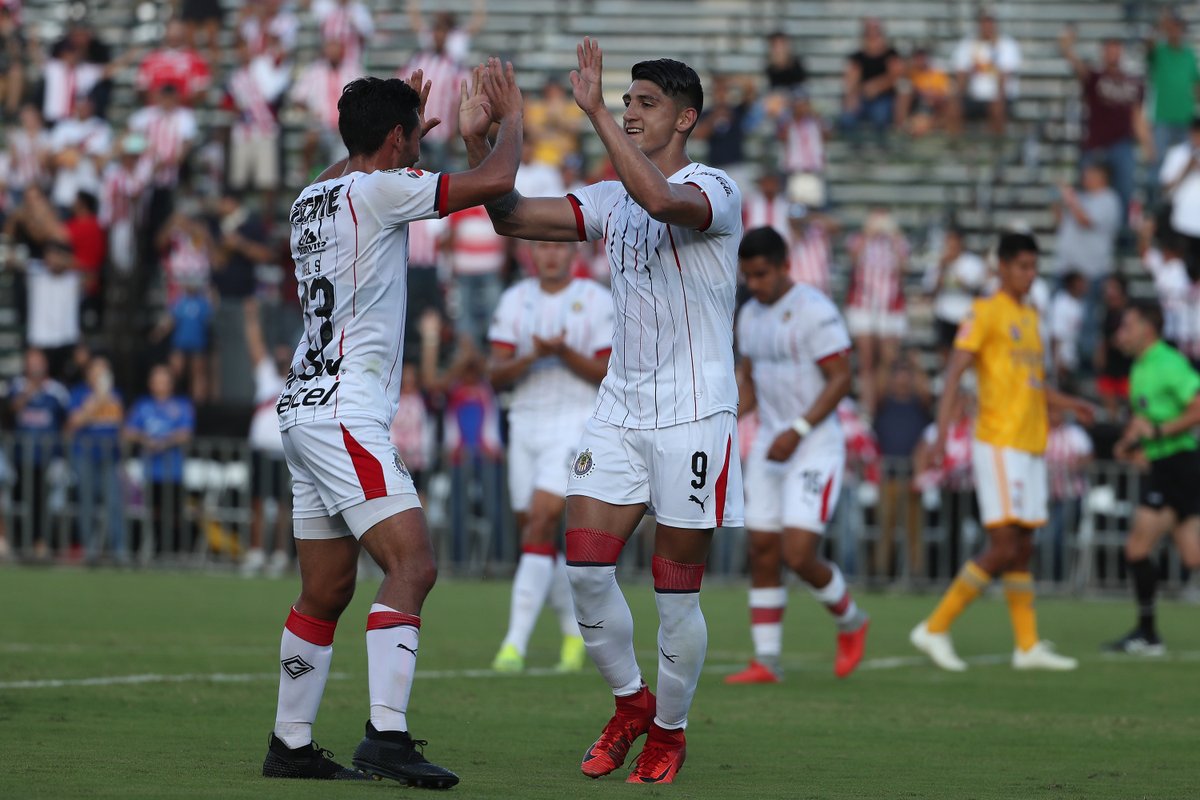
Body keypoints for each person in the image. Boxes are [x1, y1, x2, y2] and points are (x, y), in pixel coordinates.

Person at [464, 41, 743, 784]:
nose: (630, 111)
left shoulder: (713, 186)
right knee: (585, 568)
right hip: (620, 408)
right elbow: (513, 216)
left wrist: (589, 112)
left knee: (673, 589)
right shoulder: (611, 196)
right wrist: (484, 139)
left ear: (686, 117)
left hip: (694, 413)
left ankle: (670, 733)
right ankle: (631, 704)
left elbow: (659, 200)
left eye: (645, 104)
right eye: (626, 102)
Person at [262, 61, 524, 787]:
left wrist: (394, 136)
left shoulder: (313, 196)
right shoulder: (381, 188)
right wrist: (514, 120)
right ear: (397, 139)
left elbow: (358, 167)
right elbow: (496, 183)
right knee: (414, 566)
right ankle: (387, 735)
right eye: (412, 138)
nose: (418, 148)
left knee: (326, 591)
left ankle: (290, 744)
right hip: (346, 413)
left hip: (302, 410)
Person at [910, 232, 1093, 672]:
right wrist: (939, 435)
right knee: (1003, 543)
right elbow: (955, 371)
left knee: (1024, 543)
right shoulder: (985, 311)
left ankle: (1027, 646)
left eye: (1034, 267)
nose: (1029, 275)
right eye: (1022, 266)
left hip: (1031, 442)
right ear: (1003, 267)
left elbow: (1033, 384)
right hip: (998, 441)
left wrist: (1070, 404)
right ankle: (934, 627)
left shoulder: (1031, 316)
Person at [725, 226, 867, 685]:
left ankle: (851, 621)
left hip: (814, 442)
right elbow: (749, 383)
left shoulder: (814, 311)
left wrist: (800, 428)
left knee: (798, 552)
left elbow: (841, 378)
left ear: (786, 265)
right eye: (747, 276)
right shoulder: (748, 315)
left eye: (762, 274)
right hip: (771, 440)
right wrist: (722, 420)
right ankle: (766, 660)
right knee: (762, 548)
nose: (755, 284)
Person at [487, 239, 612, 673]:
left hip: (574, 422)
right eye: (542, 246)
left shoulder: (595, 299)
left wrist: (562, 353)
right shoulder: (515, 299)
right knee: (534, 537)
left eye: (559, 247)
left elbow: (607, 371)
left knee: (541, 522)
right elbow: (495, 372)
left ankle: (513, 644)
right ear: (531, 254)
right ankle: (573, 634)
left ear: (574, 253)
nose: (551, 254)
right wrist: (533, 356)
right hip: (525, 422)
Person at [1107, 301, 1200, 654]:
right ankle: (1147, 633)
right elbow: (1146, 419)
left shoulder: (1168, 362)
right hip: (1165, 466)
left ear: (1147, 329)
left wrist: (1160, 433)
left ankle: (1147, 634)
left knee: (1136, 548)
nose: (1121, 334)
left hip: (1179, 466)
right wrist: (1131, 443)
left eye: (1127, 326)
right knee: (1193, 558)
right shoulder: (1140, 366)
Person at [1058, 29, 1149, 218]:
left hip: (1122, 144)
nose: (1113, 53)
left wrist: (1148, 144)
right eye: (1109, 49)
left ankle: (1123, 239)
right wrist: (1067, 46)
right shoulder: (1095, 77)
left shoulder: (1134, 82)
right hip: (1095, 143)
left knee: (1125, 191)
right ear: (1103, 52)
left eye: (1116, 49)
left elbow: (1137, 116)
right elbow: (1077, 65)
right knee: (1087, 191)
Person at [950, 10, 1020, 136]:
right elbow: (961, 74)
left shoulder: (1006, 45)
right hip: (973, 96)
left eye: (990, 22)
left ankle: (996, 148)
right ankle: (956, 148)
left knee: (997, 108)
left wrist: (999, 97)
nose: (987, 25)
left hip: (998, 96)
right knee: (953, 108)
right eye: (984, 22)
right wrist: (957, 96)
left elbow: (1005, 76)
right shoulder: (967, 45)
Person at [924, 227, 987, 359]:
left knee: (966, 353)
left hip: (966, 316)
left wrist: (957, 278)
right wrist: (942, 269)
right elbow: (930, 291)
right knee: (945, 353)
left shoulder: (973, 263)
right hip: (944, 314)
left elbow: (977, 289)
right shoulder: (938, 263)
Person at [838, 18, 901, 143]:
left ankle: (882, 148)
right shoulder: (857, 57)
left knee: (880, 117)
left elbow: (896, 76)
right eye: (869, 34)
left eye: (876, 33)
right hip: (862, 97)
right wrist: (852, 97)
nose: (873, 38)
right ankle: (855, 149)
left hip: (884, 98)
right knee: (847, 119)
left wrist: (877, 86)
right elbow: (850, 80)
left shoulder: (891, 54)